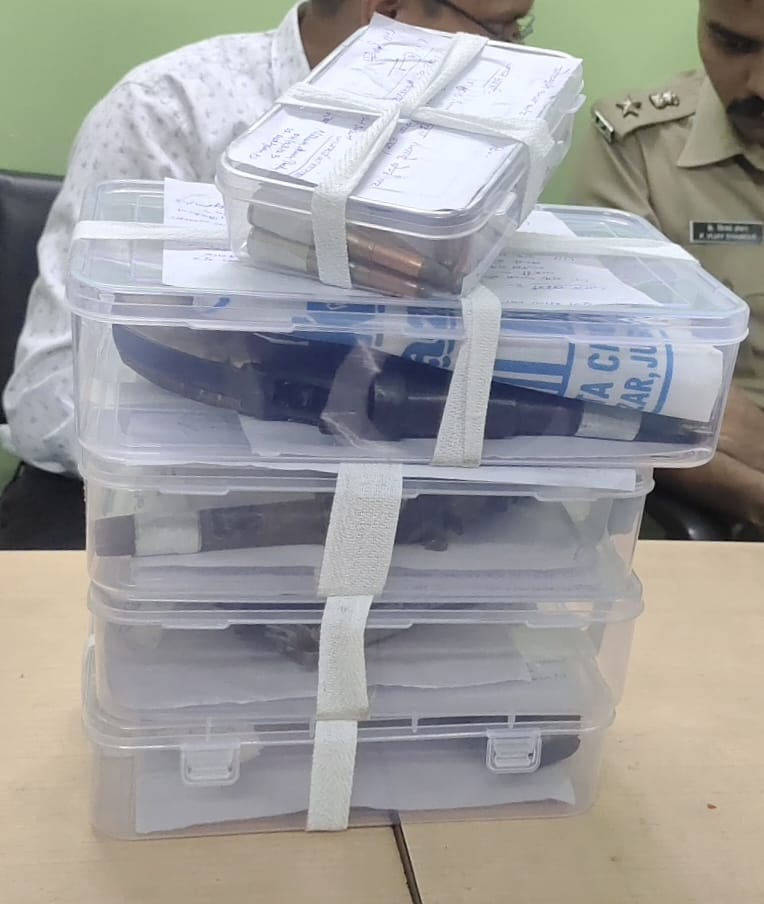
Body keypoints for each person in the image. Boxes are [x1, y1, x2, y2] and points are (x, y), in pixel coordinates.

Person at [0, 0, 535, 550]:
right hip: (134, 504)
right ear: (388, 13)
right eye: (500, 30)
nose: (521, 56)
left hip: (394, 497)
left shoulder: (483, 148)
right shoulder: (166, 112)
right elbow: (51, 397)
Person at [572, 0, 764, 533]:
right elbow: (615, 389)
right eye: (733, 44)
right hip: (723, 475)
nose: (759, 84)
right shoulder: (640, 149)